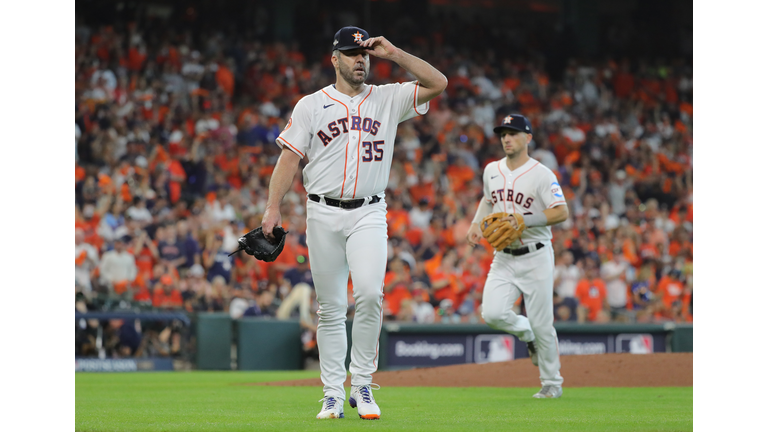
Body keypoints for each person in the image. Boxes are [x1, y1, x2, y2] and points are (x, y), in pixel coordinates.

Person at [261, 26, 447, 420]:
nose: (360, 59)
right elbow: (289, 159)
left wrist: (394, 53)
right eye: (351, 52)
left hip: (369, 212)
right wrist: (272, 208)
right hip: (322, 212)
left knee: (369, 293)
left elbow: (438, 82)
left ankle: (362, 384)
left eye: (363, 53)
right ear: (334, 59)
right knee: (330, 308)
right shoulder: (311, 105)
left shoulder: (387, 98)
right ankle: (331, 393)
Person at [465, 113, 569, 399]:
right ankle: (528, 334)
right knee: (493, 313)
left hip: (536, 256)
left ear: (528, 138)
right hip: (504, 256)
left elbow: (561, 211)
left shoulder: (542, 174)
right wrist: (476, 223)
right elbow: (488, 201)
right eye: (503, 134)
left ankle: (552, 383)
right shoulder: (491, 170)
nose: (507, 138)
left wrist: (526, 220)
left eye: (512, 133)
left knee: (543, 322)